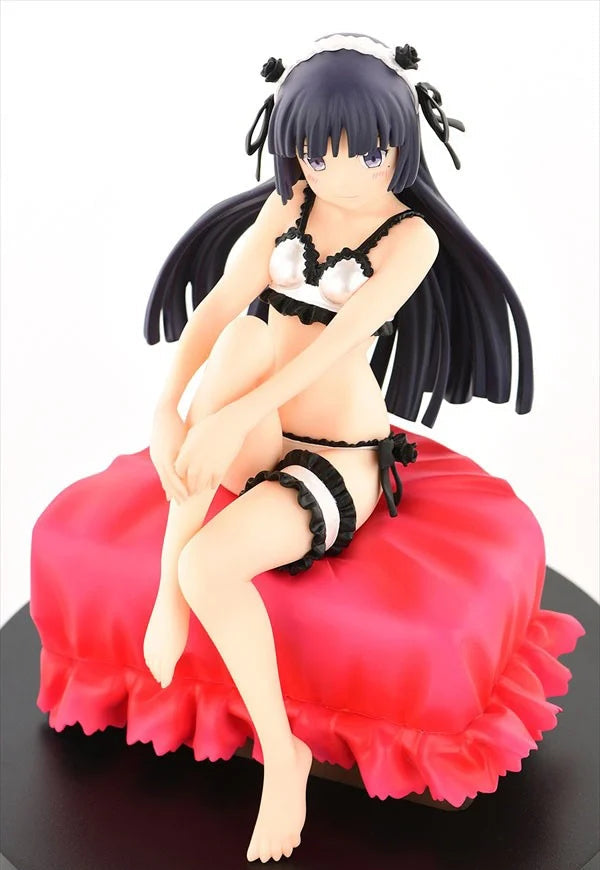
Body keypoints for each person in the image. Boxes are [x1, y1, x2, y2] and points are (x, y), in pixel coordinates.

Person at [142, 32, 534, 863]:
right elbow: (220, 306)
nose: (343, 173)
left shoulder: (410, 238)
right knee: (246, 338)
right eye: (320, 155)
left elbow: (334, 344)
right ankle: (167, 585)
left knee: (212, 568)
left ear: (402, 140)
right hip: (259, 434)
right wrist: (166, 411)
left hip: (338, 457)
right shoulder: (287, 208)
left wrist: (227, 419)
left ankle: (282, 755)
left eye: (368, 152)